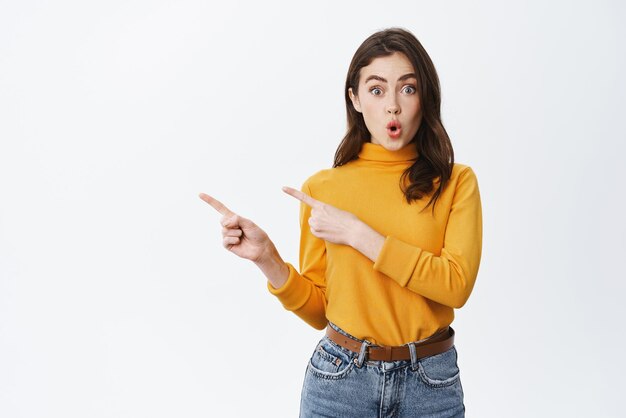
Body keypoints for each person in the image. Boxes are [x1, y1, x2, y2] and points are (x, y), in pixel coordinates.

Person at [199, 27, 482, 418]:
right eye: (377, 90)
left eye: (408, 88)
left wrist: (359, 234)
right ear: (356, 99)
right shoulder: (324, 188)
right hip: (340, 380)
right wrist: (268, 259)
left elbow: (455, 286)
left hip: (430, 385)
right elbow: (320, 311)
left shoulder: (455, 182)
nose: (393, 107)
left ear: (425, 97)